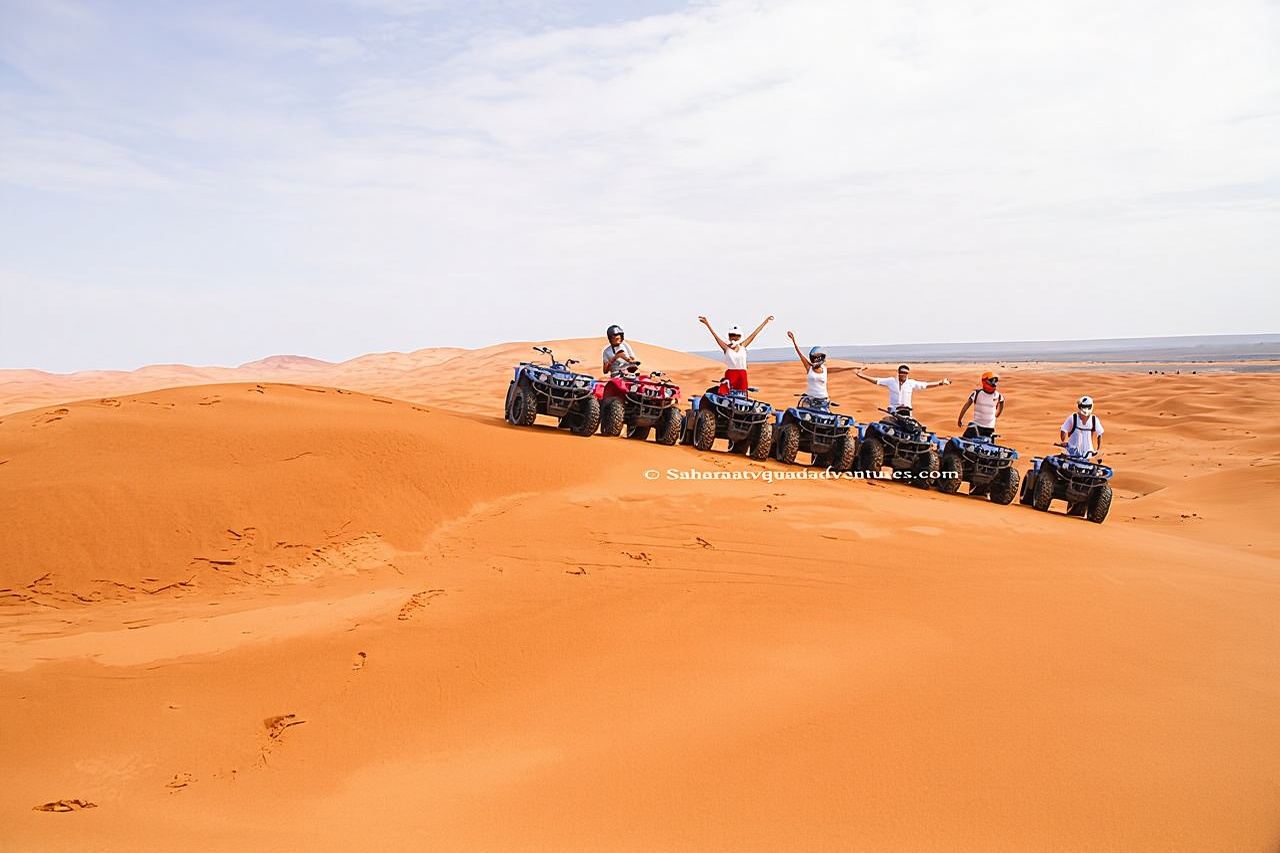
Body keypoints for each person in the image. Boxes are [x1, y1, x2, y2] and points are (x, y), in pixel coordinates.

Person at [698, 314, 773, 392]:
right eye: (732, 335)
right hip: (731, 375)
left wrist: (765, 322)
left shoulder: (743, 346)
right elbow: (716, 337)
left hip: (742, 376)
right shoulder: (726, 348)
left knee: (742, 396)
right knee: (725, 394)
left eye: (736, 335)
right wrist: (707, 324)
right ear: (729, 336)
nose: (734, 337)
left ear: (740, 336)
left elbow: (754, 333)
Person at [786, 330, 856, 408]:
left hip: (823, 400)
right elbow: (800, 353)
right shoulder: (809, 367)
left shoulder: (825, 369)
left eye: (817, 358)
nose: (815, 360)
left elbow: (838, 369)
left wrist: (853, 368)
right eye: (814, 358)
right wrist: (793, 340)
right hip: (810, 400)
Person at [854, 363, 950, 412]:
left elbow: (925, 385)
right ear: (898, 373)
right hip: (893, 410)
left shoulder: (911, 383)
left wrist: (940, 383)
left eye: (906, 373)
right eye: (902, 372)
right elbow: (876, 381)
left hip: (907, 411)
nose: (904, 374)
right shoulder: (891, 381)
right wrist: (861, 375)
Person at [956, 371, 1004, 437]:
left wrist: (960, 420)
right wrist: (996, 415)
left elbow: (966, 406)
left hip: (978, 427)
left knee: (964, 440)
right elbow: (1001, 405)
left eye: (995, 381)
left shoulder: (977, 393)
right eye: (992, 380)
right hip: (989, 428)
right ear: (985, 381)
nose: (994, 383)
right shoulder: (998, 396)